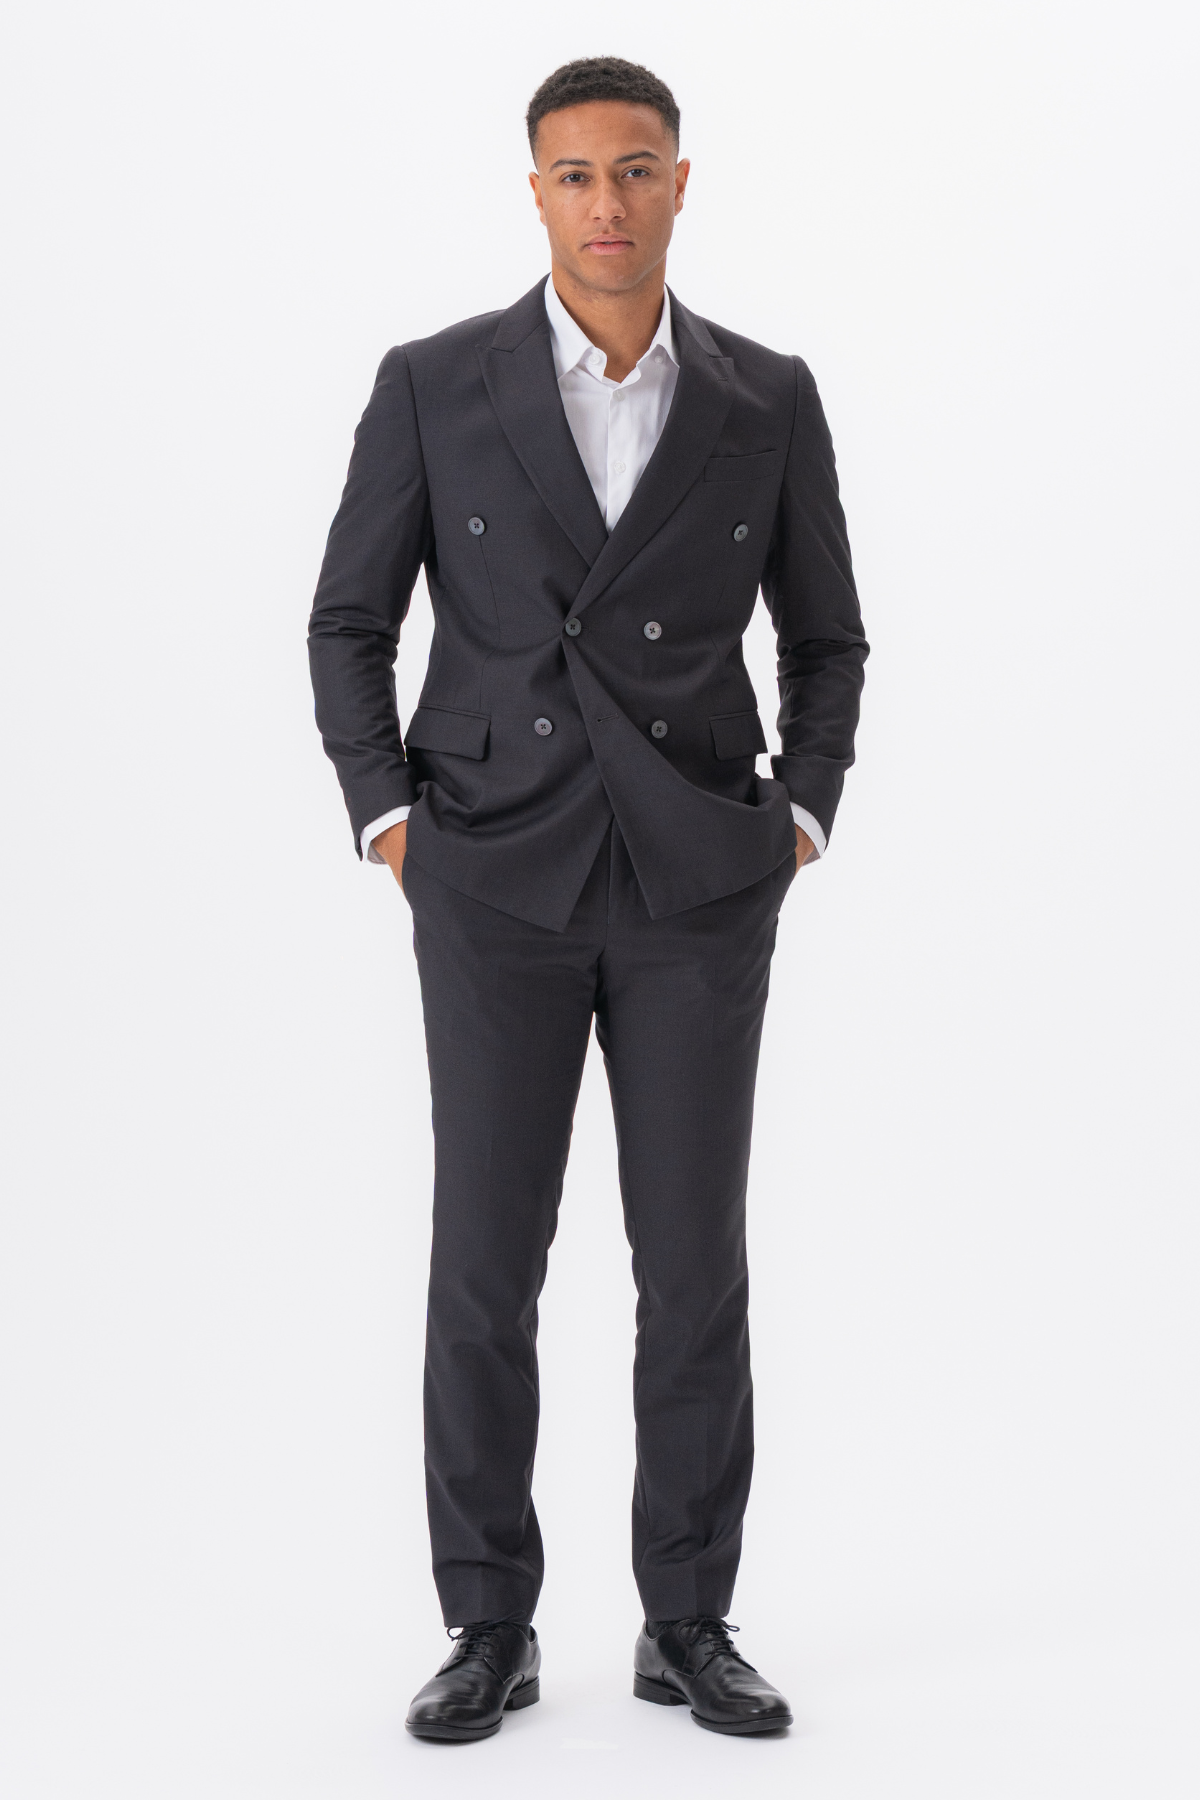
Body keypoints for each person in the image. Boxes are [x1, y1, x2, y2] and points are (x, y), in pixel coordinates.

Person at [308, 55, 867, 1742]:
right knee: (486, 1261)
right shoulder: (435, 382)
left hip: (698, 880)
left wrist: (800, 816)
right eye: (575, 175)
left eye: (635, 170)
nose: (606, 204)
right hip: (493, 875)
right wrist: (391, 822)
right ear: (536, 193)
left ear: (681, 183)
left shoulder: (767, 395)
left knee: (693, 1264)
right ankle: (488, 1622)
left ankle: (686, 1619)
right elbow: (349, 621)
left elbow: (827, 636)